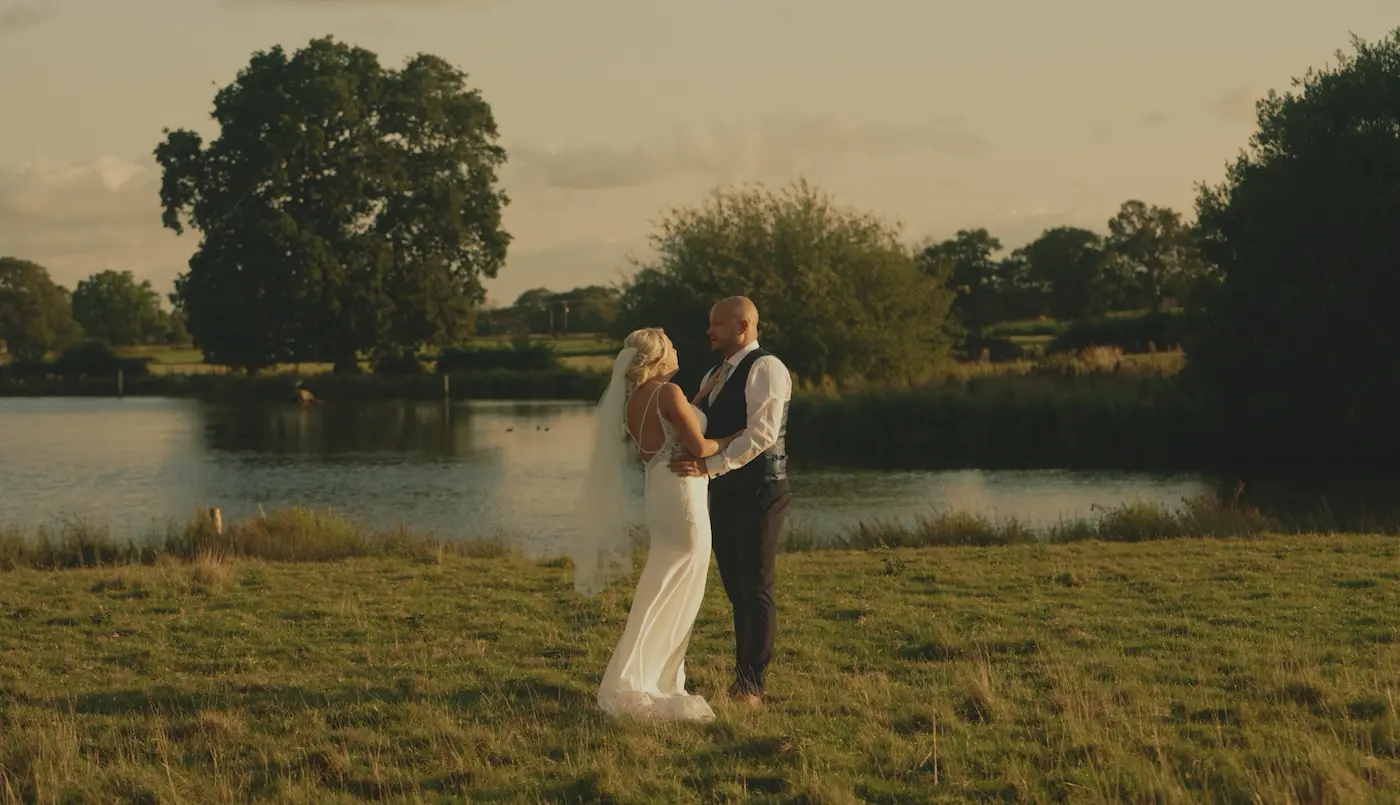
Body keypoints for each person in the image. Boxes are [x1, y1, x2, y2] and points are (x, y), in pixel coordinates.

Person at [573, 327, 738, 722]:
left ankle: (641, 674)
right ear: (661, 356)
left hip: (657, 492)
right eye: (672, 345)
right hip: (684, 492)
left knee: (661, 583)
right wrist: (733, 438)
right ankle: (656, 679)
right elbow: (699, 447)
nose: (678, 348)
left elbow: (671, 424)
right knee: (682, 588)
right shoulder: (669, 393)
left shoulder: (634, 400)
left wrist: (699, 398)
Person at [670, 296, 792, 708]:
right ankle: (742, 679)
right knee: (736, 590)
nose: (709, 330)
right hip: (722, 491)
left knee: (756, 587)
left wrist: (711, 466)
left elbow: (762, 434)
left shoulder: (766, 368)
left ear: (742, 326)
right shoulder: (714, 373)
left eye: (717, 324)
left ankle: (752, 686)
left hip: (760, 490)